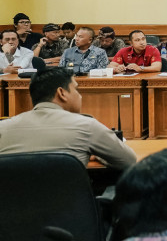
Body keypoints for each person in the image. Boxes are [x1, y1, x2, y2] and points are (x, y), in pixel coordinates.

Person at [0, 67, 136, 169]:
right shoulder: (86, 126)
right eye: (76, 89)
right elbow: (129, 161)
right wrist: (99, 154)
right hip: (71, 206)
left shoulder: (3, 128)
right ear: (61, 93)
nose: (79, 96)